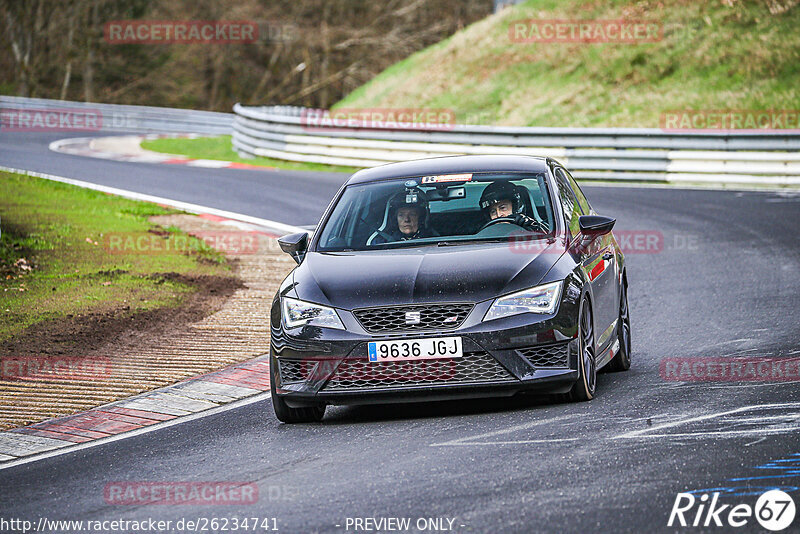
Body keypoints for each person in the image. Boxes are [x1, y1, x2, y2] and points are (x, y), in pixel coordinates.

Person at [370, 188, 435, 244]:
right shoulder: (381, 243)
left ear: (421, 218)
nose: (407, 220)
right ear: (395, 219)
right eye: (401, 215)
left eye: (412, 214)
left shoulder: (434, 240)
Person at [478, 180, 546, 232]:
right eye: (493, 211)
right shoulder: (485, 234)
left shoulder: (533, 228)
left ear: (516, 207)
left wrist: (531, 226)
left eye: (503, 208)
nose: (498, 215)